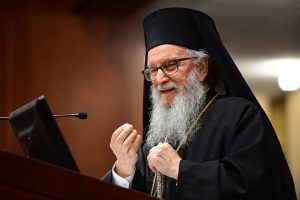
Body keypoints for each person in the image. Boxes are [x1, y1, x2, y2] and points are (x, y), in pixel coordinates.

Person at [102, 7, 296, 200]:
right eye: (152, 70)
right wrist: (123, 172)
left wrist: (180, 169)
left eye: (170, 65)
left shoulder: (240, 116)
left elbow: (252, 185)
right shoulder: (158, 135)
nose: (160, 79)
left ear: (201, 67)